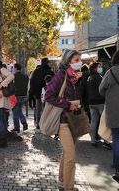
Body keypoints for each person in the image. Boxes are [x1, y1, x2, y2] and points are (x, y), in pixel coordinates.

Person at [45, 49, 83, 191]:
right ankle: (68, 187)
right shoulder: (60, 75)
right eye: (76, 60)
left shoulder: (75, 77)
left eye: (80, 59)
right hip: (62, 121)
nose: (79, 63)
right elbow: (48, 96)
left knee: (67, 153)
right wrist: (67, 104)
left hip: (74, 119)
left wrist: (78, 80)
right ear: (68, 62)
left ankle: (62, 178)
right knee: (71, 156)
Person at [99, 51, 119, 182]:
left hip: (114, 110)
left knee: (117, 139)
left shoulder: (111, 72)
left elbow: (101, 89)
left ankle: (117, 168)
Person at [87, 62, 106, 147]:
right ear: (95, 68)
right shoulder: (99, 77)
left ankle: (92, 140)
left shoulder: (89, 77)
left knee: (93, 121)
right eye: (99, 66)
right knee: (104, 121)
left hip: (91, 102)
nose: (100, 68)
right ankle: (106, 141)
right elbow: (103, 89)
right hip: (100, 101)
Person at [30, 58, 54, 129]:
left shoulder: (36, 71)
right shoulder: (50, 72)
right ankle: (46, 124)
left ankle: (38, 123)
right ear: (48, 63)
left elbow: (32, 82)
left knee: (38, 109)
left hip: (38, 93)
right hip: (49, 94)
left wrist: (32, 93)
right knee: (47, 109)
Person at [12, 63, 29, 133]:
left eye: (13, 68)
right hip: (23, 95)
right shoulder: (25, 76)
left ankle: (16, 127)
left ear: (15, 68)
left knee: (15, 112)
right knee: (19, 110)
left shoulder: (13, 76)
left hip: (15, 96)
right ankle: (23, 122)